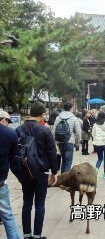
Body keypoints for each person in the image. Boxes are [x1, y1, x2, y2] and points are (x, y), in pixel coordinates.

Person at [15, 101, 58, 239]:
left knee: (27, 201)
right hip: (41, 171)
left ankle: (27, 235)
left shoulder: (19, 129)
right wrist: (54, 172)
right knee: (40, 203)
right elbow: (52, 153)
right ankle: (37, 235)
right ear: (41, 114)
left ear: (30, 113)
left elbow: (15, 152)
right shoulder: (45, 130)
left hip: (25, 170)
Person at [0, 110, 20, 239]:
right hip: (1, 181)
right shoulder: (11, 134)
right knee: (7, 216)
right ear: (3, 120)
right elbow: (12, 158)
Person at [53, 102, 81, 173]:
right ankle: (66, 181)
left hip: (60, 142)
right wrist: (77, 143)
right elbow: (78, 132)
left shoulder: (58, 118)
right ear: (71, 108)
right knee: (68, 162)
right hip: (69, 142)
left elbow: (54, 131)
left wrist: (55, 142)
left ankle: (62, 179)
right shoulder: (74, 118)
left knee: (64, 161)